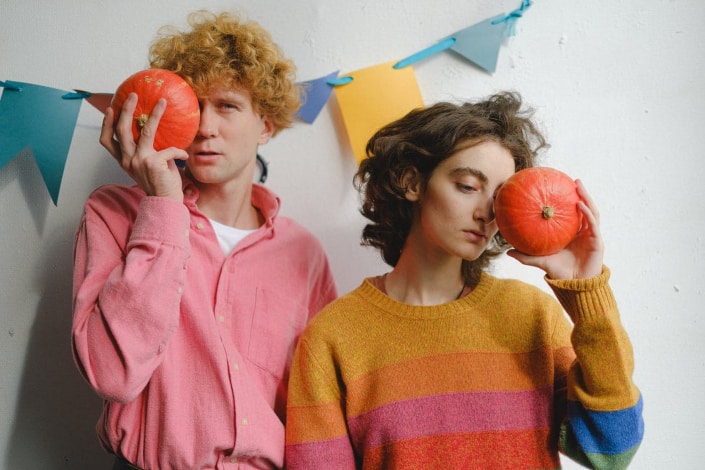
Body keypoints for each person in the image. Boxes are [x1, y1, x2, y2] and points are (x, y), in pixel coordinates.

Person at [285, 92, 644, 469]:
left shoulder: (531, 314)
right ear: (412, 182)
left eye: (500, 198)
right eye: (468, 186)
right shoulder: (334, 336)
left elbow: (612, 452)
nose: (486, 214)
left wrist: (587, 295)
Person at [71, 10, 337, 470]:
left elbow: (318, 407)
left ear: (266, 124)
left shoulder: (304, 253)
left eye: (228, 106)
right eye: (195, 107)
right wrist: (163, 206)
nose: (205, 128)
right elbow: (112, 375)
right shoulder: (115, 213)